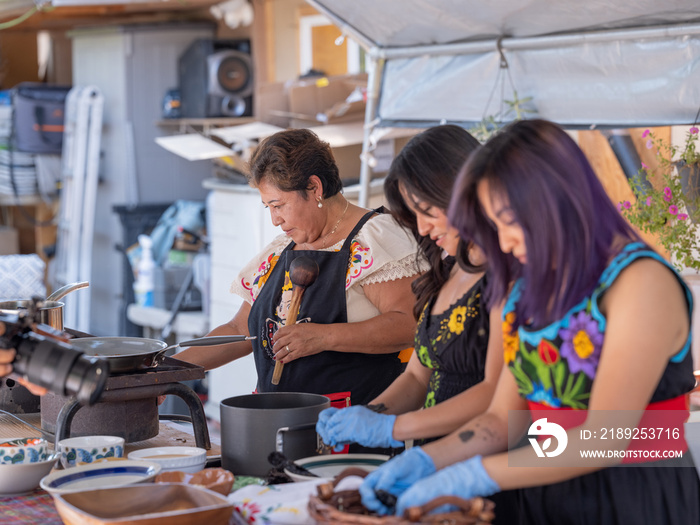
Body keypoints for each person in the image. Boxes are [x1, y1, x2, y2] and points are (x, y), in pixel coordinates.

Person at [359, 119, 700, 524]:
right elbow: (503, 419)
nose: (502, 242)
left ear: (555, 199)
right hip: (544, 497)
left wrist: (476, 474)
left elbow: (606, 438)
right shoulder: (527, 291)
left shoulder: (640, 282)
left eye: (507, 220)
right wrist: (425, 462)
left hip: (633, 498)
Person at [177, 128, 426, 409]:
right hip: (278, 422)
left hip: (351, 427)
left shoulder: (372, 241)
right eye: (268, 207)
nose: (274, 219)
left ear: (314, 188)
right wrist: (166, 370)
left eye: (278, 204)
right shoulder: (281, 249)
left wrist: (324, 337)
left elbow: (411, 324)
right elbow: (240, 328)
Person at [315, 125, 504, 450]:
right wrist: (370, 415)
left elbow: (495, 389)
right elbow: (417, 376)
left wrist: (396, 426)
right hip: (432, 452)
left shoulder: (506, 275)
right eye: (413, 215)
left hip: (483, 453)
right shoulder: (444, 269)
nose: (422, 228)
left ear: (463, 191)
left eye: (428, 211)